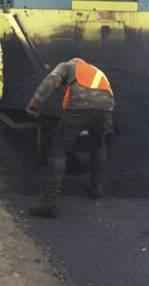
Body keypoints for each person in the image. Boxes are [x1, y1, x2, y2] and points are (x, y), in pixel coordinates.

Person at [26, 58, 114, 218]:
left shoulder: (67, 66)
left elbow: (51, 81)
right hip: (105, 107)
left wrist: (35, 103)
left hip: (79, 107)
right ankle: (96, 188)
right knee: (98, 144)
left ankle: (50, 200)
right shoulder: (95, 71)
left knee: (59, 150)